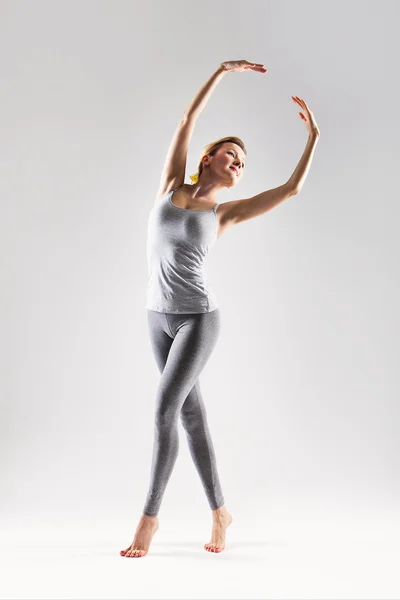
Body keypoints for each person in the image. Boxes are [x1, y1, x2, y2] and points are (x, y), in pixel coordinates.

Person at [120, 59, 320, 558]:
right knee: (190, 416)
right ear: (207, 159)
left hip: (197, 319)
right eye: (231, 155)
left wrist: (313, 137)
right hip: (155, 316)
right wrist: (222, 71)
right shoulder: (171, 187)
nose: (238, 163)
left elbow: (290, 189)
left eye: (243, 162)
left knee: (165, 409)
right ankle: (220, 512)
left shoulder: (223, 214)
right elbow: (187, 120)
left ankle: (148, 520)